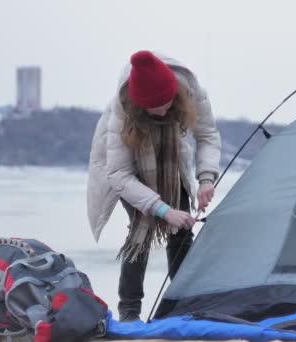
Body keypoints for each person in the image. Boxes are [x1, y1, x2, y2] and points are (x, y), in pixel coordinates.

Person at [86, 50, 221, 321]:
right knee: (141, 231)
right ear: (138, 106)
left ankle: (183, 302)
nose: (163, 110)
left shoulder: (190, 92)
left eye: (167, 103)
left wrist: (206, 178)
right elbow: (119, 174)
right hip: (131, 171)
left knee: (181, 230)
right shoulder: (122, 113)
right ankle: (130, 313)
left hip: (173, 162)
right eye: (155, 107)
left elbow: (207, 134)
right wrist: (161, 209)